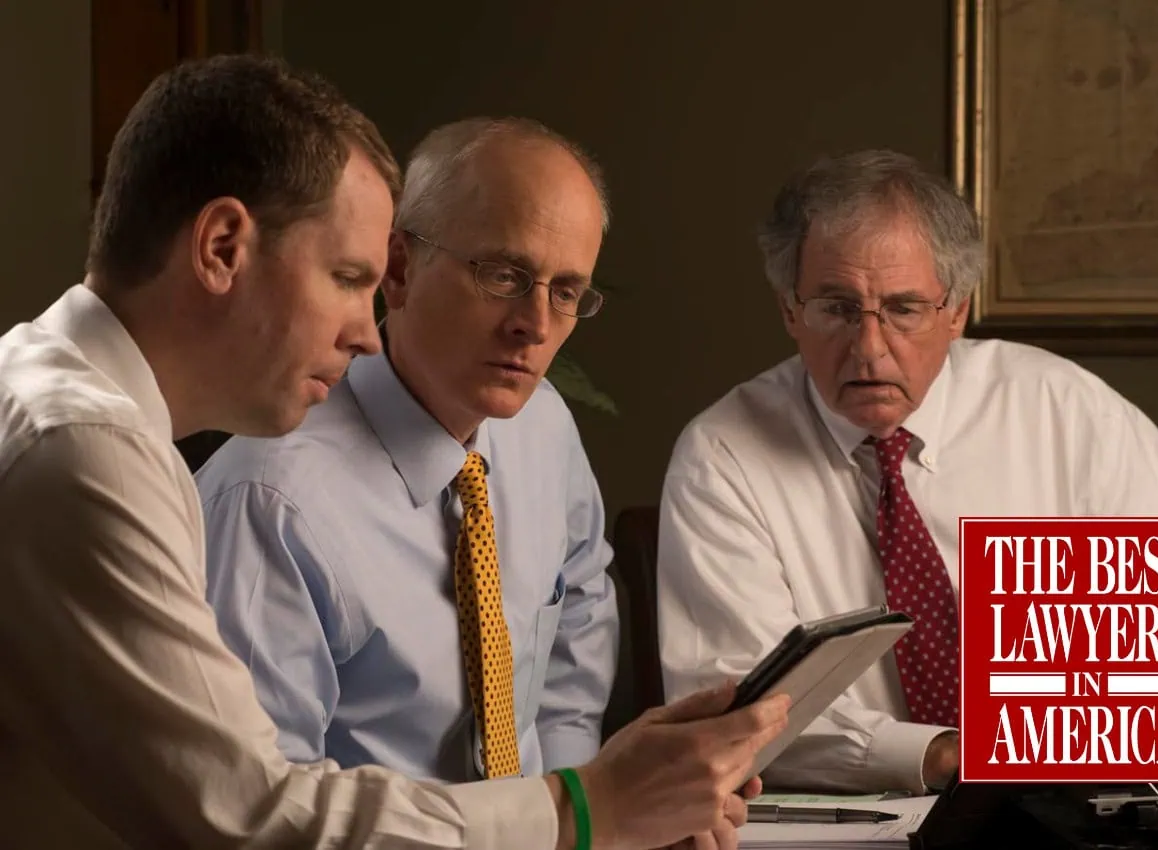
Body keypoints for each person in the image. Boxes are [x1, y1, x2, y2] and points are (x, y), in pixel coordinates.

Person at [0, 53, 788, 849]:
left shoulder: (58, 399)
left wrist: (623, 800)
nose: (362, 329)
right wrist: (585, 811)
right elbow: (253, 820)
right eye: (348, 277)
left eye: (567, 292)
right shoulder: (89, 452)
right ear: (222, 247)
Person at [655, 148, 1158, 797]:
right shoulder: (723, 455)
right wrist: (951, 754)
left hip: (1084, 809)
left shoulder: (1059, 409)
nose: (869, 348)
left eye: (903, 309)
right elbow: (736, 714)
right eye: (836, 309)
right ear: (790, 309)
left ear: (955, 310)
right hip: (854, 823)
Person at [195, 117, 618, 785]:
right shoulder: (271, 501)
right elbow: (263, 807)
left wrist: (576, 813)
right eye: (504, 274)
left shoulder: (545, 429)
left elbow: (582, 615)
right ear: (399, 269)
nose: (534, 325)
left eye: (564, 292)